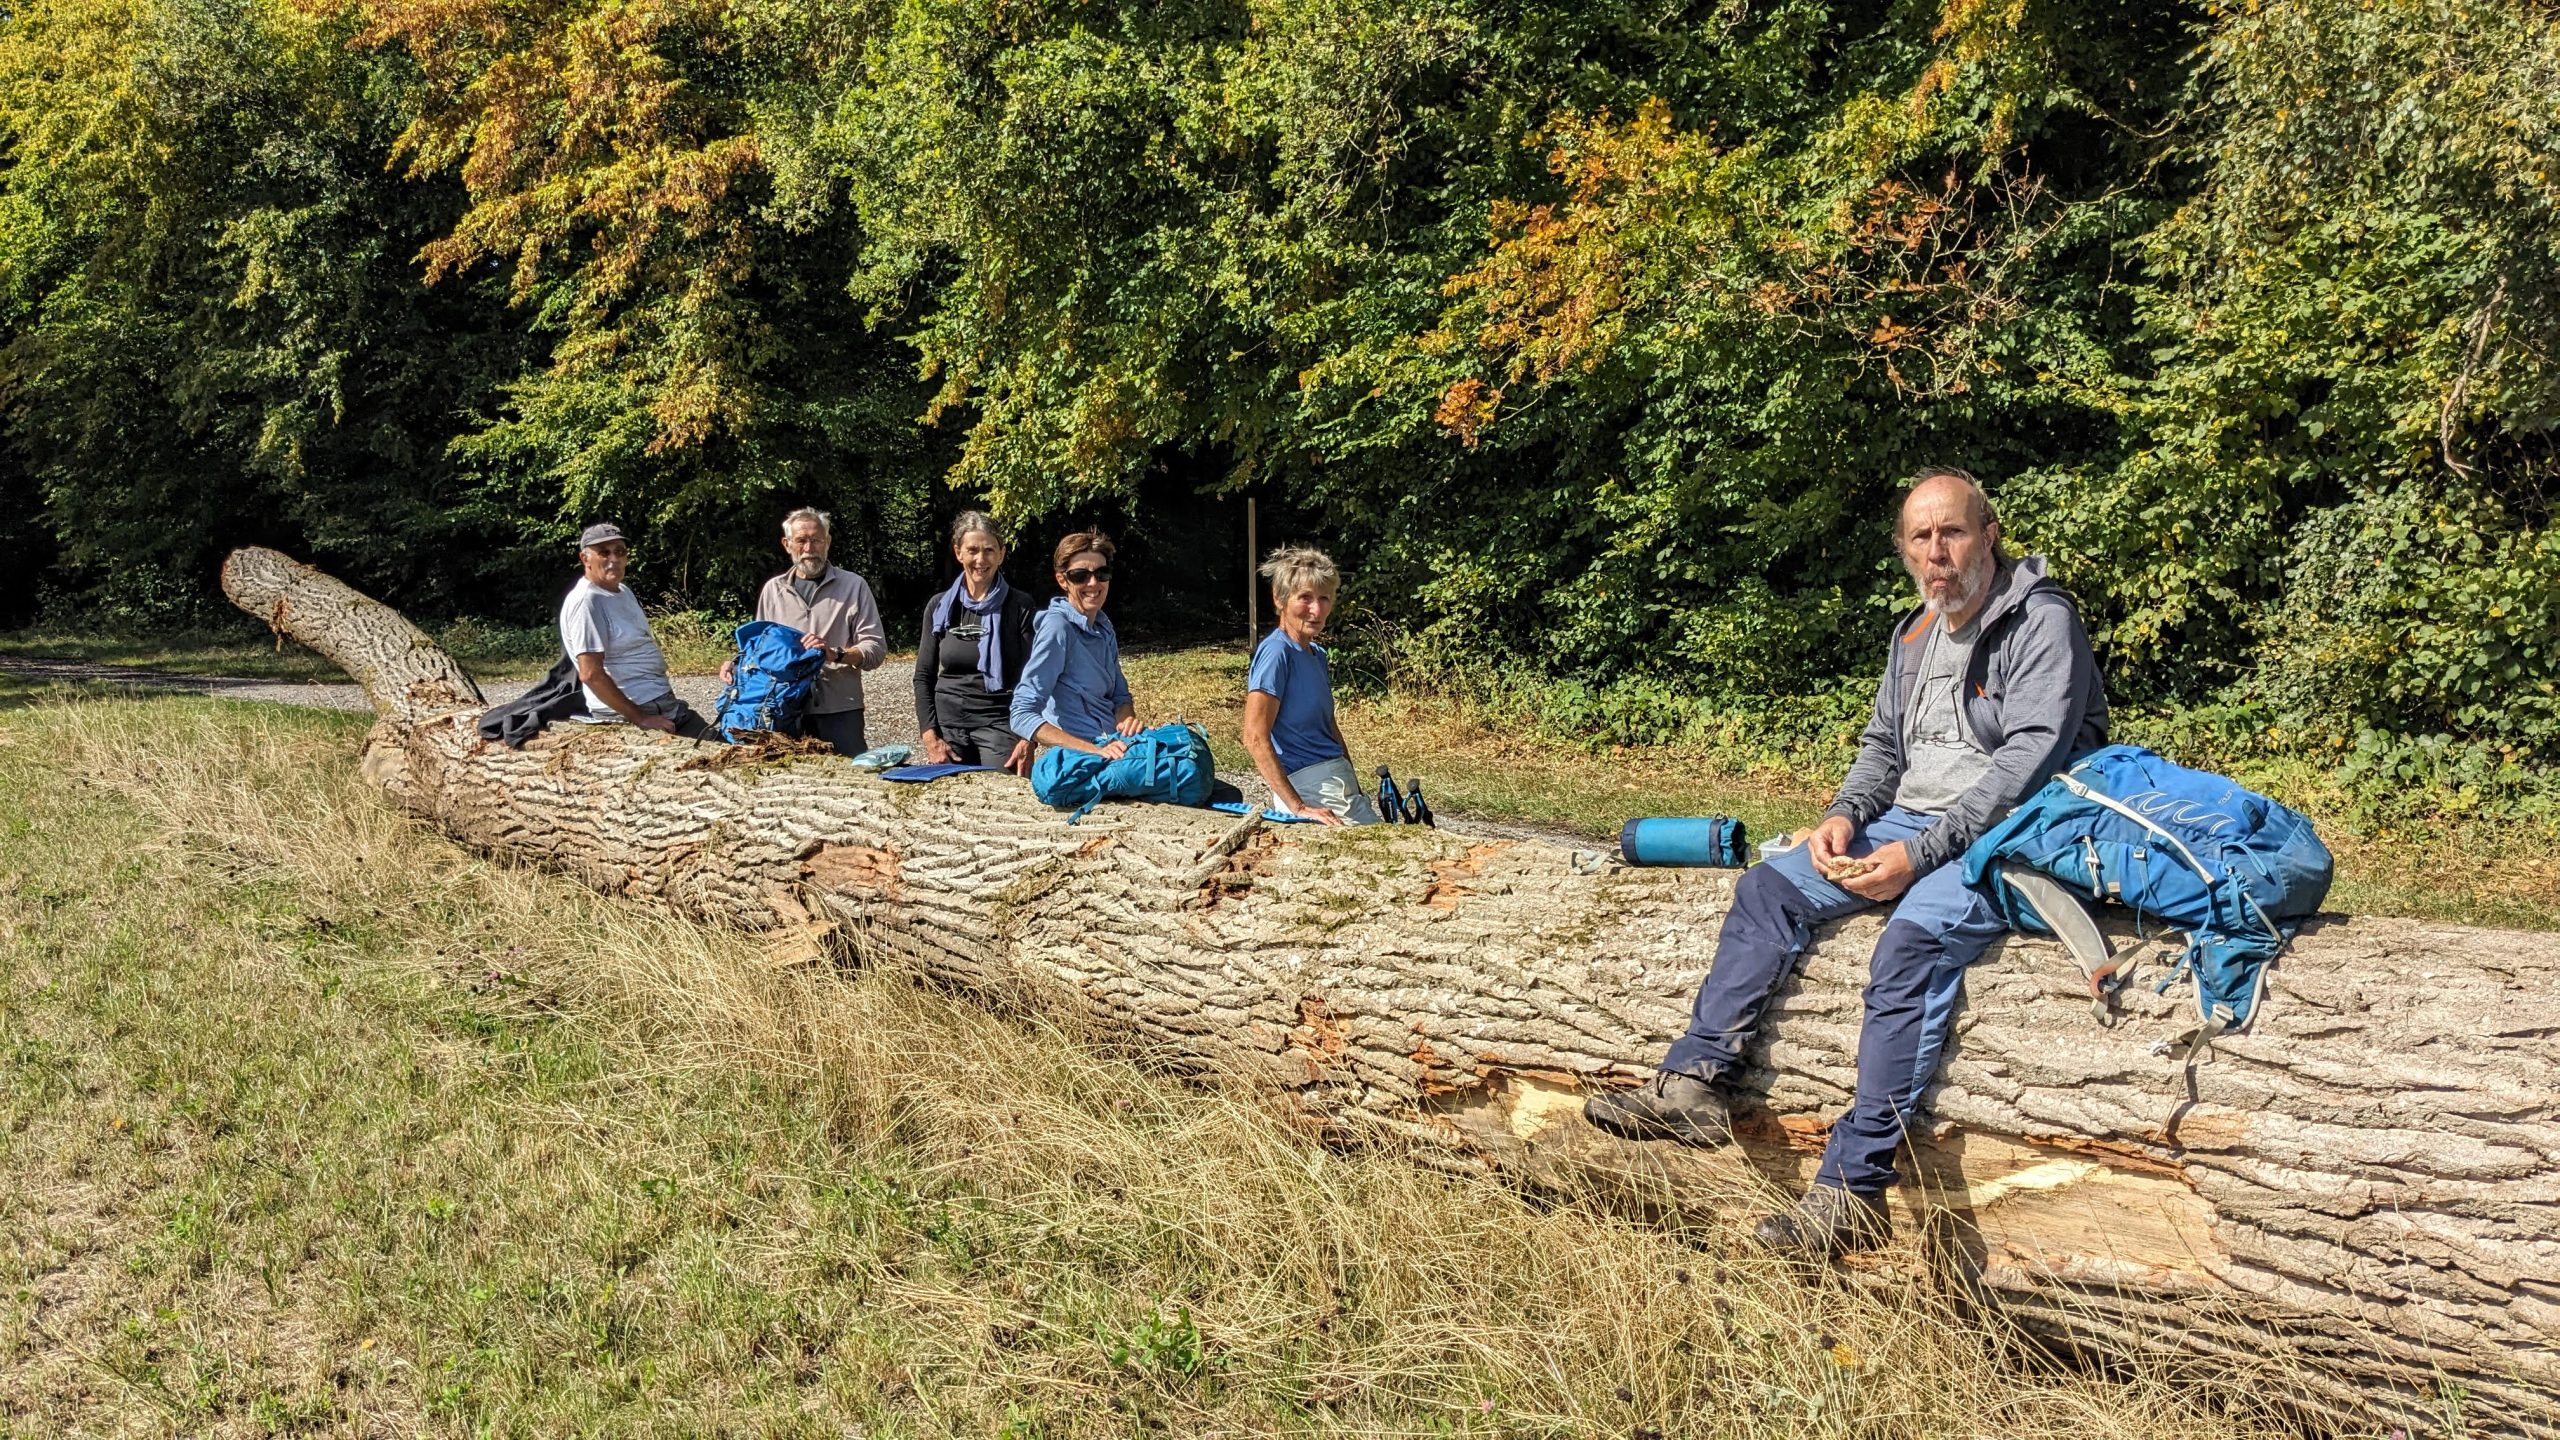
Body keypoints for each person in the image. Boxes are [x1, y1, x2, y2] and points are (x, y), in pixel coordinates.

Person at [1584, 468, 2109, 1258]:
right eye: (1921, 537)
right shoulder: (1916, 631)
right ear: (1905, 549)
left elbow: (2027, 763)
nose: (1937, 551)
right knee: (1767, 887)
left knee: (1909, 946)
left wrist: (1919, 856)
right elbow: (1884, 750)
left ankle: (1851, 1191)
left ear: (1990, 535)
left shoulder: (2040, 621)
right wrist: (1842, 816)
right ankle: (1693, 1084)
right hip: (1905, 823)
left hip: (2009, 834)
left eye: (1953, 531)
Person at [721, 507, 887, 756]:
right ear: (787, 544)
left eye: (816, 540)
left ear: (828, 542)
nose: (809, 548)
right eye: (801, 540)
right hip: (780, 708)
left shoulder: (854, 586)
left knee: (850, 775)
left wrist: (835, 654)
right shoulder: (773, 590)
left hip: (838, 708)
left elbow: (875, 649)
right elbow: (760, 651)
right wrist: (736, 664)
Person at [1241, 546, 1379, 824]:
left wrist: (1355, 784)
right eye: (1305, 597)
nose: (1316, 609)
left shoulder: (1317, 654)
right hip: (1309, 786)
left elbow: (1329, 726)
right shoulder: (1276, 652)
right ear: (1279, 598)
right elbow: (1254, 737)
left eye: (1324, 598)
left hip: (1338, 783)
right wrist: (1298, 807)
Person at [558, 522, 715, 739]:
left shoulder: (622, 591)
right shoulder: (587, 602)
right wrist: (641, 718)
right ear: (585, 559)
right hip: (631, 712)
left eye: (620, 552)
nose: (614, 559)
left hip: (659, 703)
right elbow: (590, 673)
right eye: (604, 552)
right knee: (717, 750)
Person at [914, 511, 1039, 773]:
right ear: (958, 553)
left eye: (989, 550)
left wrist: (1028, 738)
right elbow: (924, 676)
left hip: (1000, 722)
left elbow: (1033, 678)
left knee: (1005, 792)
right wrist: (930, 736)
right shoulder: (939, 607)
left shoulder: (1020, 606)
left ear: (1001, 554)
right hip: (948, 725)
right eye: (972, 550)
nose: (980, 559)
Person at [1010, 530, 1142, 759]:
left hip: (1113, 746)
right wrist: (1094, 750)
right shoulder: (1057, 628)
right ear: (1062, 580)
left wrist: (1126, 721)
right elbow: (1021, 714)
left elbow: (1120, 696)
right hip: (1079, 757)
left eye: (1102, 573)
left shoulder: (1103, 626)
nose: (1093, 583)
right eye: (1080, 575)